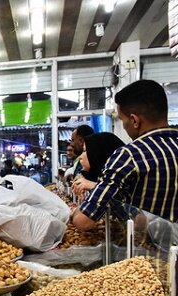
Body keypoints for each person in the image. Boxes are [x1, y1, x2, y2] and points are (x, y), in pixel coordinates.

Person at [72, 80, 178, 231]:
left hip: (145, 250)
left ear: (134, 120)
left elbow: (83, 221)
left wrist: (74, 213)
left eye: (122, 120)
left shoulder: (130, 155)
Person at [71, 132, 125, 200]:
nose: (81, 157)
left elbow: (122, 200)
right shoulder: (90, 176)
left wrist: (94, 186)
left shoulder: (120, 180)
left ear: (97, 154)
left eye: (85, 151)